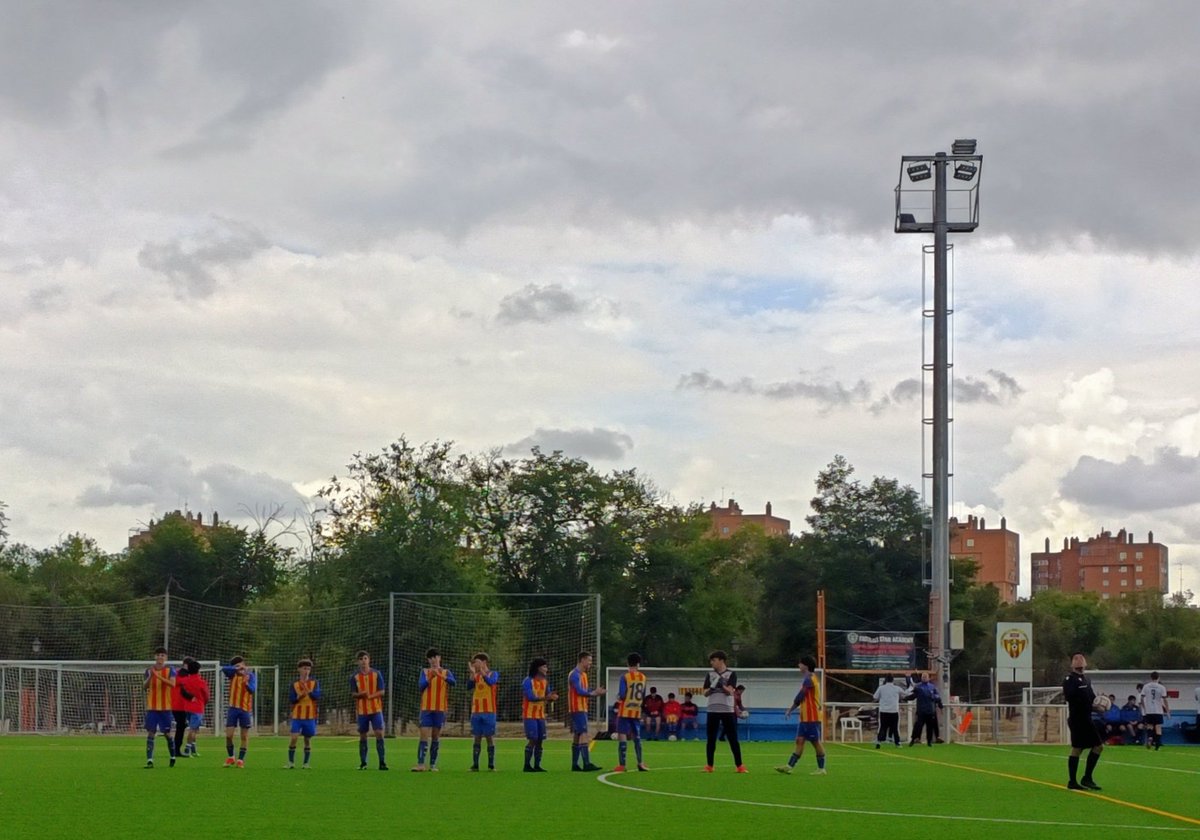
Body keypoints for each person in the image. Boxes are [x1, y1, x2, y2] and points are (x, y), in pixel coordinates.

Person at [777, 654, 826, 775]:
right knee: (799, 740)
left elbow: (800, 696)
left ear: (805, 665)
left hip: (812, 716)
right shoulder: (808, 679)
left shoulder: (810, 679)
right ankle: (789, 766)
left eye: (800, 663)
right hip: (805, 717)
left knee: (815, 742)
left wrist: (790, 709)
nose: (798, 666)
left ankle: (821, 768)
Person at [1063, 652, 1103, 790]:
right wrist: (1085, 701)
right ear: (1072, 664)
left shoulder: (1087, 680)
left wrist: (1099, 706)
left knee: (1098, 746)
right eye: (1076, 660)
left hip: (1087, 718)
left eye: (1081, 660)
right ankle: (1073, 781)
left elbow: (1091, 698)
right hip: (1077, 719)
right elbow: (1070, 697)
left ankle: (1087, 778)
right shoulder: (1069, 679)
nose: (1079, 662)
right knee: (1077, 748)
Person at [702, 649, 746, 773]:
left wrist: (721, 684)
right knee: (711, 738)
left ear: (721, 661)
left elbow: (730, 691)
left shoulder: (731, 674)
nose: (712, 663)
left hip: (727, 710)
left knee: (732, 737)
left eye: (714, 660)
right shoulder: (710, 675)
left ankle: (740, 765)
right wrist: (711, 688)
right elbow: (705, 693)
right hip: (712, 709)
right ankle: (709, 765)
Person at [413, 647, 456, 772]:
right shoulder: (425, 672)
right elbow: (421, 686)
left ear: (439, 658)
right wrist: (431, 678)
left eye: (435, 657)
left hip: (440, 709)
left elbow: (453, 683)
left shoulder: (446, 672)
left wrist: (441, 677)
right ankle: (421, 764)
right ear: (428, 660)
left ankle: (432, 764)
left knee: (436, 736)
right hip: (426, 708)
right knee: (424, 735)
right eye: (431, 658)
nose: (434, 660)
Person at [567, 650, 605, 771]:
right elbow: (579, 691)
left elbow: (585, 690)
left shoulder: (583, 675)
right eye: (589, 661)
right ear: (582, 660)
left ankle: (575, 764)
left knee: (578, 734)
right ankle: (586, 763)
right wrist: (594, 693)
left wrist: (594, 692)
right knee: (584, 733)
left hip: (582, 707)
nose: (590, 663)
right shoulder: (574, 674)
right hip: (577, 708)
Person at [350, 650, 388, 770]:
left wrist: (371, 696)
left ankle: (382, 762)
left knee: (379, 733)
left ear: (369, 660)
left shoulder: (377, 674)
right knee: (363, 735)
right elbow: (353, 694)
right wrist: (361, 694)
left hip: (376, 709)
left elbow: (382, 691)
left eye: (365, 658)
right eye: (361, 659)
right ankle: (363, 763)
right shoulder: (354, 677)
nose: (363, 661)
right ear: (358, 662)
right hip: (362, 711)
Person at [613, 652, 648, 772]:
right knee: (637, 737)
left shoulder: (625, 677)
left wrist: (618, 696)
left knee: (622, 735)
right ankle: (640, 763)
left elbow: (622, 695)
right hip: (636, 711)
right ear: (638, 664)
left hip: (625, 711)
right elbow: (643, 695)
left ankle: (622, 765)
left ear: (627, 663)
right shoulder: (643, 677)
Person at [521, 657, 557, 772]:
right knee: (533, 738)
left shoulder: (545, 682)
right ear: (538, 668)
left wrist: (552, 698)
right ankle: (527, 765)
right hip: (529, 715)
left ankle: (537, 765)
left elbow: (547, 696)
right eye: (544, 666)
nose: (546, 669)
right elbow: (530, 697)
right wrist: (547, 697)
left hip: (540, 715)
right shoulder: (527, 681)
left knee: (540, 739)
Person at [142, 647, 176, 768]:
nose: (160, 657)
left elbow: (172, 684)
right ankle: (150, 760)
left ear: (166, 658)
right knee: (151, 733)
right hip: (152, 707)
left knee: (167, 733)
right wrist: (151, 677)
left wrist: (159, 676)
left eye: (162, 655)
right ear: (155, 657)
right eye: (158, 655)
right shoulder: (149, 670)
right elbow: (144, 686)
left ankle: (173, 756)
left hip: (165, 707)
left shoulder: (170, 670)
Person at [221, 656, 255, 767]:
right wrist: (235, 669)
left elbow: (252, 690)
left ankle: (240, 760)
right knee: (229, 735)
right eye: (236, 666)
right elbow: (224, 669)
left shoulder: (251, 676)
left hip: (245, 709)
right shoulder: (232, 674)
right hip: (233, 708)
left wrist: (246, 684)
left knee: (244, 736)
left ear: (244, 664)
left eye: (241, 665)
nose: (240, 667)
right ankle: (231, 757)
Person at [467, 652, 499, 771]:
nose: (474, 664)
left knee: (489, 737)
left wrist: (482, 672)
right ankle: (475, 765)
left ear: (484, 662)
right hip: (476, 711)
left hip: (489, 711)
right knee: (477, 737)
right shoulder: (475, 676)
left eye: (476, 662)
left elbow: (491, 682)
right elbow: (469, 686)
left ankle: (491, 765)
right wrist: (472, 673)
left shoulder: (493, 674)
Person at [176, 658, 209, 759]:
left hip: (187, 707)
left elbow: (182, 692)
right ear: (198, 670)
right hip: (198, 708)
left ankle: (194, 750)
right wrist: (204, 702)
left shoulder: (186, 680)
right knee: (193, 729)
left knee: (194, 729)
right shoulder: (201, 682)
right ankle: (187, 748)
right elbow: (206, 695)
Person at [168, 656, 193, 767]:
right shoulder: (177, 673)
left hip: (186, 705)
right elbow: (175, 682)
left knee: (182, 726)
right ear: (185, 664)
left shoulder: (189, 675)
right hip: (176, 704)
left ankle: (177, 748)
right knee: (180, 725)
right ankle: (176, 749)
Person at [907, 672, 942, 746]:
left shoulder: (932, 687)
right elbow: (913, 696)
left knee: (930, 727)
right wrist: (905, 698)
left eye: (926, 677)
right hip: (921, 710)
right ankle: (913, 739)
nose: (924, 678)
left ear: (928, 678)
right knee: (918, 726)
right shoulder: (918, 687)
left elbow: (937, 696)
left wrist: (939, 704)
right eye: (923, 677)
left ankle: (929, 741)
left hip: (930, 710)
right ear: (921, 678)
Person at [1140, 671, 1170, 751]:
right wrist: (1167, 711)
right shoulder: (1161, 687)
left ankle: (1150, 737)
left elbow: (1142, 698)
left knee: (1150, 725)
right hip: (1158, 710)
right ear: (1158, 677)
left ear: (1151, 677)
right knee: (1158, 727)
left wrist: (1144, 707)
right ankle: (1157, 745)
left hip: (1149, 710)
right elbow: (1165, 699)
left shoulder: (1146, 686)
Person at [873, 675, 905, 748]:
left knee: (882, 727)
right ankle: (898, 743)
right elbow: (904, 694)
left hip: (884, 711)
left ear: (886, 680)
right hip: (894, 711)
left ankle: (878, 741)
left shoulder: (881, 688)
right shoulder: (897, 688)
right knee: (895, 728)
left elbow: (875, 697)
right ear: (893, 680)